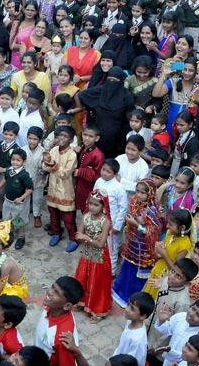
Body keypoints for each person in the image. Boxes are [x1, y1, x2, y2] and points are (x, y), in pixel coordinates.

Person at [112, 179, 163, 306]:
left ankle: (132, 297)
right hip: (132, 244)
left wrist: (135, 224)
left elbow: (152, 232)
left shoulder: (152, 210)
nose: (139, 195)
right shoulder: (135, 202)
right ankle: (120, 291)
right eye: (137, 191)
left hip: (143, 249)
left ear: (150, 194)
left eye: (143, 193)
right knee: (127, 268)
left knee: (136, 275)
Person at [74, 189, 112, 320]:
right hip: (86, 253)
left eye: (96, 205)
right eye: (90, 203)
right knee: (83, 278)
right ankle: (82, 301)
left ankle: (97, 309)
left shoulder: (105, 222)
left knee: (97, 282)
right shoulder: (85, 217)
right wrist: (84, 238)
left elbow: (101, 245)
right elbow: (78, 236)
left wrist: (86, 238)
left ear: (103, 206)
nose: (92, 207)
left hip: (99, 256)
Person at [44, 126, 79, 252]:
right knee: (53, 214)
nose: (62, 138)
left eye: (66, 136)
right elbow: (45, 167)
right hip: (53, 188)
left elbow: (65, 173)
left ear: (71, 139)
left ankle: (73, 238)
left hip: (66, 190)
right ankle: (56, 233)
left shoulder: (72, 154)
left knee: (68, 218)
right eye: (60, 135)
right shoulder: (53, 150)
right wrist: (47, 164)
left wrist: (52, 164)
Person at [34, 276, 83, 366]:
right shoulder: (51, 307)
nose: (49, 292)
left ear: (67, 306)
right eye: (52, 287)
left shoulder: (62, 339)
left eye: (56, 292)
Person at [113, 291, 155, 366]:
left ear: (143, 316)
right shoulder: (130, 321)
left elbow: (130, 362)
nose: (127, 309)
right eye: (128, 304)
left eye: (132, 308)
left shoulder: (137, 340)